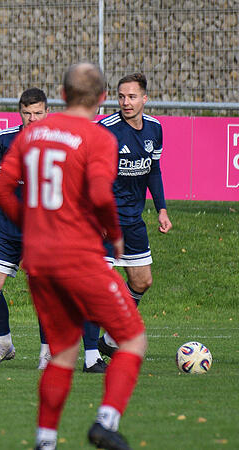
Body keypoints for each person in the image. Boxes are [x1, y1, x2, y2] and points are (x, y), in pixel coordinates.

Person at [0, 63, 147, 450]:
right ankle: (105, 422)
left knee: (61, 354)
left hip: (40, 262)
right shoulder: (98, 138)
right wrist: (113, 235)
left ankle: (45, 442)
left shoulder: (32, 135)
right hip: (80, 257)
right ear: (102, 98)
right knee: (131, 341)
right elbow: (98, 194)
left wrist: (32, 223)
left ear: (61, 95)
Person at [0, 88, 106, 372]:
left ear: (47, 112)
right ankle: (4, 344)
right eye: (27, 113)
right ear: (20, 112)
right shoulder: (6, 139)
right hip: (8, 226)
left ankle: (46, 351)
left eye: (38, 113)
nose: (32, 119)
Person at [97, 73, 172, 357]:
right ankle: (90, 355)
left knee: (142, 281)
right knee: (99, 287)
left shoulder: (155, 129)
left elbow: (154, 170)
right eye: (121, 96)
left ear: (144, 99)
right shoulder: (107, 129)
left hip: (133, 220)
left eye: (131, 96)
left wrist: (161, 209)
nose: (125, 102)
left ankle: (110, 340)